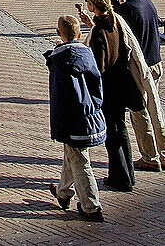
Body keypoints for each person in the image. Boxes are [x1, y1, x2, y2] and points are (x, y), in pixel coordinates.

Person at [45, 14, 106, 221]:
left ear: (58, 34)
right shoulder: (87, 55)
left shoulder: (59, 62)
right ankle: (63, 193)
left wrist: (59, 127)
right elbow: (98, 87)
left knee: (80, 160)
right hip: (91, 115)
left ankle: (91, 206)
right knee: (72, 155)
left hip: (73, 120)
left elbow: (59, 97)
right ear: (79, 34)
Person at [81, 0, 136, 192]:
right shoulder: (114, 23)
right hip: (121, 83)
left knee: (112, 134)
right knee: (121, 130)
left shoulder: (99, 31)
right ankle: (128, 173)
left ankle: (119, 177)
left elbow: (99, 65)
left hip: (109, 87)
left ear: (93, 5)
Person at [117, 0, 165, 171]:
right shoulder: (148, 2)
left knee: (140, 112)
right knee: (155, 108)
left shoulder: (126, 10)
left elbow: (122, 40)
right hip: (156, 61)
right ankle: (163, 152)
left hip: (140, 66)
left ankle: (149, 156)